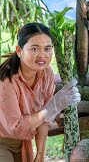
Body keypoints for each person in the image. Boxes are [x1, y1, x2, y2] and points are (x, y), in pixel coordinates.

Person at [0, 23, 81, 162]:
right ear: (19, 51)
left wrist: (40, 155)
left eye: (47, 49)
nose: (42, 55)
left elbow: (44, 120)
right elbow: (16, 128)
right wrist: (52, 106)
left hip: (22, 143)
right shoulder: (6, 81)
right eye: (35, 48)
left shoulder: (46, 73)